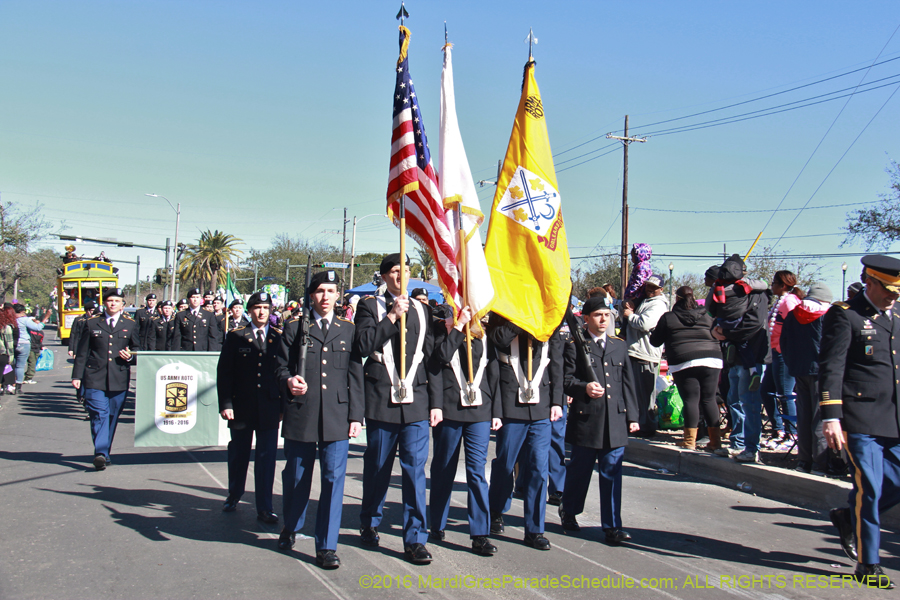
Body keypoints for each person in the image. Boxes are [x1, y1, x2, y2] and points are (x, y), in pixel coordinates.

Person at [819, 255, 900, 589]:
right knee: (870, 488)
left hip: (893, 419)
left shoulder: (895, 316)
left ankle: (847, 518)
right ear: (870, 281)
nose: (894, 296)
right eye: (889, 289)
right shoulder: (846, 315)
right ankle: (869, 563)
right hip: (860, 417)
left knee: (893, 485)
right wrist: (832, 416)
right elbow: (832, 367)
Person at [355, 253, 441, 565]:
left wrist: (437, 403)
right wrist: (391, 317)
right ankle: (369, 520)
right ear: (383, 276)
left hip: (416, 400)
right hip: (382, 398)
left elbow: (430, 358)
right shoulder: (370, 306)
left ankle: (415, 538)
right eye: (393, 270)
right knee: (378, 466)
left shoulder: (422, 309)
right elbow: (363, 345)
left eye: (405, 269)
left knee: (415, 470)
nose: (400, 275)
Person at [277, 271, 364, 569]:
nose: (326, 297)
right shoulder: (294, 327)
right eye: (320, 291)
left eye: (331, 290)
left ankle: (326, 545)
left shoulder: (347, 329)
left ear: (338, 295)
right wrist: (289, 381)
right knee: (298, 476)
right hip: (302, 412)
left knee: (333, 480)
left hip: (337, 416)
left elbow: (355, 376)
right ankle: (291, 525)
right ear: (311, 295)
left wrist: (356, 415)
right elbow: (280, 367)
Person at [559, 296, 640, 543]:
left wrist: (633, 417)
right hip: (587, 420)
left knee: (612, 474)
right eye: (597, 315)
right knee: (580, 472)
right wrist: (584, 388)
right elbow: (566, 381)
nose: (603, 319)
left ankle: (612, 526)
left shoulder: (619, 345)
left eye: (607, 314)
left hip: (614, 419)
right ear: (586, 318)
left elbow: (628, 384)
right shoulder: (574, 345)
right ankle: (569, 510)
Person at [487, 313, 564, 551]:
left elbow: (557, 363)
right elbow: (497, 340)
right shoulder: (502, 315)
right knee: (506, 464)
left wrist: (557, 402)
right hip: (511, 405)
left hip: (540, 407)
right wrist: (520, 319)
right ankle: (496, 510)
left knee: (538, 469)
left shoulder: (546, 316)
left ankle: (535, 529)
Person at [429, 307, 500, 556]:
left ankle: (480, 533)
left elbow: (494, 374)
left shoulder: (485, 334)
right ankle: (436, 523)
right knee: (443, 467)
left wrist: (497, 412)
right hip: (449, 408)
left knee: (477, 472)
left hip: (480, 410)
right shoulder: (442, 331)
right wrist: (457, 327)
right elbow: (440, 358)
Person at [217, 292, 284, 525]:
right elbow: (224, 373)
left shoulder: (279, 337)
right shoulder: (236, 336)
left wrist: (283, 406)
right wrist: (226, 404)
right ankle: (234, 494)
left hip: (269, 406)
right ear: (249, 310)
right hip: (241, 406)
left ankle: (265, 507)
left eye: (266, 307)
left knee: (267, 458)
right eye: (257, 307)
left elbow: (283, 374)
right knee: (239, 454)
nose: (261, 312)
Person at [708, 254, 770, 464]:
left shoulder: (756, 294)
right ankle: (738, 443)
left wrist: (726, 333)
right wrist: (716, 330)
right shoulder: (721, 293)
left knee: (749, 402)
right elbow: (714, 316)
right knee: (733, 399)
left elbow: (755, 323)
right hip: (731, 355)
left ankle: (752, 448)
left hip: (751, 355)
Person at [71, 288, 140, 470]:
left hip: (118, 377)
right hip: (94, 376)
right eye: (109, 301)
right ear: (104, 303)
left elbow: (138, 349)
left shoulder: (130, 324)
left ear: (122, 305)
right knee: (99, 414)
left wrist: (131, 356)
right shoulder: (92, 323)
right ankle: (100, 452)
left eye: (116, 301)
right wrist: (77, 376)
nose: (113, 304)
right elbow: (82, 352)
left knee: (112, 416)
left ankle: (105, 452)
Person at [649, 286, 723, 451]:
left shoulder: (669, 317)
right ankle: (715, 442)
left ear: (677, 299)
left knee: (691, 400)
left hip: (684, 361)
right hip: (712, 359)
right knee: (709, 399)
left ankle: (689, 441)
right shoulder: (707, 315)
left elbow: (655, 342)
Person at [780, 283, 831, 474]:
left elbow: (783, 342)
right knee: (820, 417)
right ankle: (820, 463)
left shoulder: (793, 314)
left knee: (804, 416)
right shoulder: (826, 315)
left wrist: (791, 363)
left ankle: (804, 461)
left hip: (799, 369)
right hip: (820, 371)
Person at [622, 276, 668, 436]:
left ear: (661, 289)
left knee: (645, 394)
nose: (650, 289)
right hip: (637, 351)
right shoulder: (647, 301)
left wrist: (630, 315)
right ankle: (639, 424)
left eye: (654, 287)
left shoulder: (658, 305)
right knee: (637, 393)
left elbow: (645, 324)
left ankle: (647, 426)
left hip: (646, 354)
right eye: (648, 285)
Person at [762, 271, 804, 446]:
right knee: (765, 391)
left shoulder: (790, 302)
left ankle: (792, 434)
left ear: (783, 285)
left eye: (774, 283)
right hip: (774, 353)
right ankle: (778, 429)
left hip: (784, 354)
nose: (772, 286)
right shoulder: (780, 302)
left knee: (785, 394)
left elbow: (795, 328)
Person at [14, 304, 48, 394]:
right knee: (20, 366)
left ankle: (9, 383)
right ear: (22, 311)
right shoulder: (24, 320)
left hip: (13, 343)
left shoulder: (11, 319)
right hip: (24, 343)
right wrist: (45, 319)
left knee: (12, 364)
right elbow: (38, 327)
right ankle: (18, 386)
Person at [0, 306, 17, 400]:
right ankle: (8, 386)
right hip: (3, 353)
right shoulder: (6, 328)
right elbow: (9, 344)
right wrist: (10, 358)